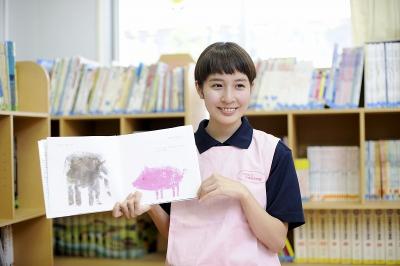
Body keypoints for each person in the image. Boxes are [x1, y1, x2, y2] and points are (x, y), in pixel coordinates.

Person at [112, 42, 305, 265]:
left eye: (239, 86)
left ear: (251, 87)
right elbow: (178, 236)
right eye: (217, 85)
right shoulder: (177, 153)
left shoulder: (274, 152)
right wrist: (151, 206)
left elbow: (277, 242)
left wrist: (243, 194)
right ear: (199, 88)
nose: (228, 97)